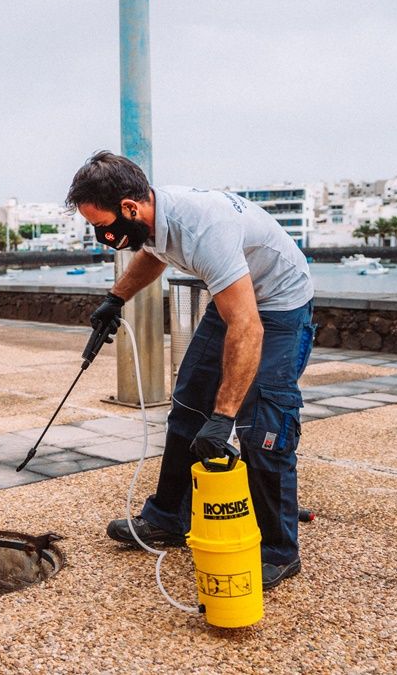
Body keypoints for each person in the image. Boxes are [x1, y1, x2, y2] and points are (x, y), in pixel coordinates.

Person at [67, 151, 316, 589]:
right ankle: (169, 518)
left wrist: (223, 419)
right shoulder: (153, 218)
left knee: (264, 426)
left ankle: (279, 550)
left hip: (278, 306)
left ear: (129, 208)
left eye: (103, 226)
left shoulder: (204, 228)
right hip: (234, 298)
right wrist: (116, 298)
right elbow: (155, 254)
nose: (102, 236)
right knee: (187, 406)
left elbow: (248, 325)